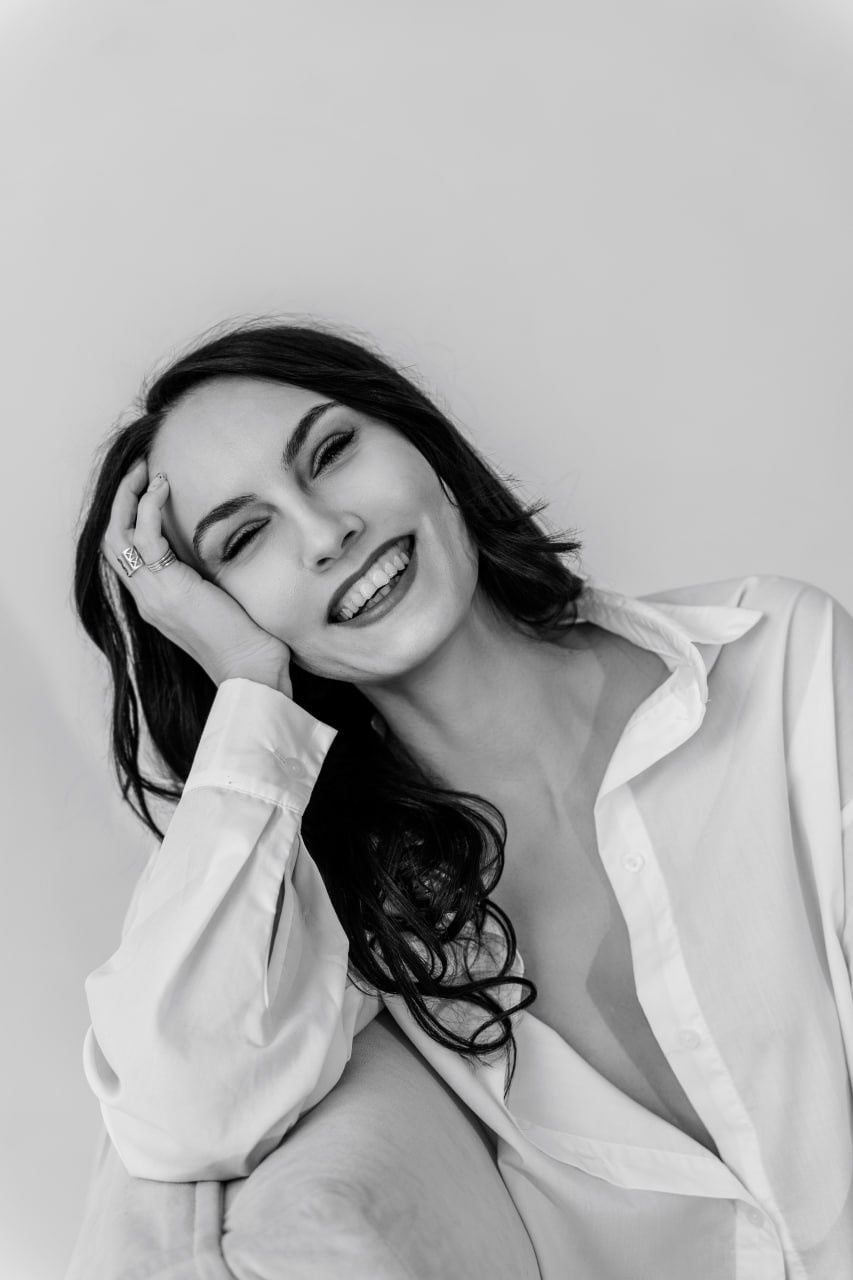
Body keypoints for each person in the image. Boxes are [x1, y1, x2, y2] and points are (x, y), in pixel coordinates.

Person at [75, 320, 853, 1278]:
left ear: (422, 445)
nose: (325, 533)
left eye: (331, 452)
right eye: (244, 538)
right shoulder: (340, 913)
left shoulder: (779, 660)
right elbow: (179, 1112)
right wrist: (246, 682)